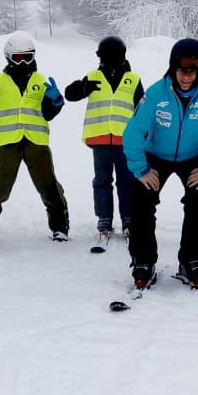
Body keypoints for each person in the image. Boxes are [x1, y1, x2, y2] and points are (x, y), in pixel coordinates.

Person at [122, 38, 198, 288]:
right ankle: (143, 260)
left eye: (194, 71)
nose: (188, 77)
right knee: (142, 199)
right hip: (156, 155)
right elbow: (132, 133)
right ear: (173, 67)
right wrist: (141, 169)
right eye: (183, 70)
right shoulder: (155, 93)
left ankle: (192, 260)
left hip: (193, 156)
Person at [0, 30, 69, 246]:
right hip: (6, 140)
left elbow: (48, 113)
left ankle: (60, 226)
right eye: (18, 57)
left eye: (28, 56)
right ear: (8, 57)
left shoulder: (40, 81)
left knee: (48, 185)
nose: (23, 62)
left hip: (36, 140)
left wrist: (55, 102)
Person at [64, 36, 143, 250]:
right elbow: (69, 95)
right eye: (105, 57)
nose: (109, 61)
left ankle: (128, 217)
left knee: (127, 180)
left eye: (113, 57)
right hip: (99, 138)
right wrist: (83, 88)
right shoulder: (93, 77)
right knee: (102, 180)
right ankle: (104, 218)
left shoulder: (133, 79)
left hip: (125, 140)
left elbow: (142, 110)